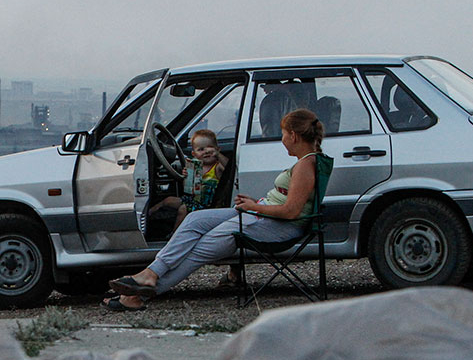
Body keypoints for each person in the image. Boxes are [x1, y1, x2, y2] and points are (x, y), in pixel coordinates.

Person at [104, 108, 333, 311]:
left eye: (283, 134)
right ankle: (150, 273)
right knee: (195, 219)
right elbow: (288, 202)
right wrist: (256, 204)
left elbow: (291, 212)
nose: (282, 139)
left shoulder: (306, 165)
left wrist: (254, 207)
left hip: (279, 226)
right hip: (263, 215)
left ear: (293, 135)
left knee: (201, 249)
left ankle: (137, 295)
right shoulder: (307, 161)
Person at [147, 128, 229, 231]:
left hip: (208, 204)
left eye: (210, 148)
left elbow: (229, 168)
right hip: (194, 200)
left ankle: (175, 234)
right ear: (194, 154)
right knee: (168, 200)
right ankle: (148, 214)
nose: (206, 152)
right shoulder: (195, 166)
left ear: (217, 149)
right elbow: (188, 188)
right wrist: (186, 177)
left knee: (183, 209)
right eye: (201, 149)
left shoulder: (217, 167)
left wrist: (218, 155)